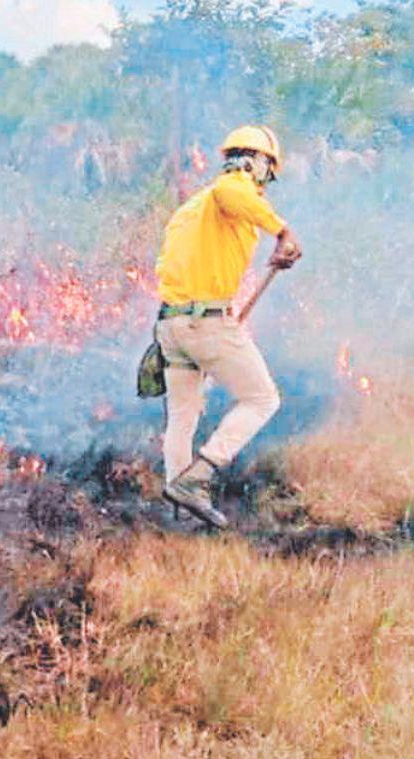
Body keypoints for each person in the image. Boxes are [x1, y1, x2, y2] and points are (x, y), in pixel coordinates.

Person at [154, 126, 303, 528]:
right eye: (267, 174)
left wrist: (275, 253)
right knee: (263, 399)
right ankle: (200, 477)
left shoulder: (193, 208)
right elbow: (233, 192)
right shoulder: (231, 189)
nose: (265, 185)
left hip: (172, 326)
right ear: (257, 163)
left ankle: (178, 508)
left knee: (182, 418)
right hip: (206, 324)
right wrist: (282, 231)